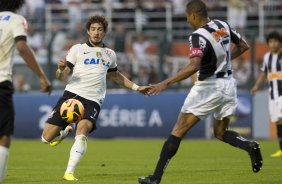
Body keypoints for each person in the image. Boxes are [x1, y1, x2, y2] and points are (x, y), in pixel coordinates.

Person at [138, 1, 263, 184]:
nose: (188, 21)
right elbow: (244, 46)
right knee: (221, 132)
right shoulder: (223, 25)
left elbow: (193, 66)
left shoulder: (197, 36)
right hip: (228, 85)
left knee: (178, 131)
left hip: (209, 87)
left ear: (194, 15)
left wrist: (164, 83)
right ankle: (249, 145)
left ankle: (155, 178)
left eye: (188, 17)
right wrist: (226, 61)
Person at [40, 15, 150, 181]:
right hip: (71, 96)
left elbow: (116, 77)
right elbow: (62, 76)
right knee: (45, 139)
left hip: (93, 100)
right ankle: (63, 133)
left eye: (99, 29)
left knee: (82, 130)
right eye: (93, 29)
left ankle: (69, 172)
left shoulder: (110, 54)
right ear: (88, 31)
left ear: (104, 32)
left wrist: (137, 88)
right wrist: (61, 70)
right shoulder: (77, 49)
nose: (96, 33)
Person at [0, 0, 52, 183]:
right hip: (1, 83)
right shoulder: (15, 20)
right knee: (4, 133)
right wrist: (42, 76)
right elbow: (22, 47)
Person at [251, 31, 282, 157]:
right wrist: (256, 86)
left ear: (280, 43)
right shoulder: (267, 57)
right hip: (272, 94)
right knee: (277, 122)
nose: (273, 44)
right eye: (270, 41)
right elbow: (264, 74)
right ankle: (281, 149)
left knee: (281, 118)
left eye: (275, 41)